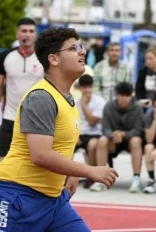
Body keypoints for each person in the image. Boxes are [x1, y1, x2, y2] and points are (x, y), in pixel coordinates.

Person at [0, 26, 118, 231]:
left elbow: (59, 145)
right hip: (19, 196)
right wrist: (89, 170)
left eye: (81, 47)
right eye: (73, 48)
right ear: (54, 59)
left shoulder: (67, 98)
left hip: (54, 202)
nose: (82, 52)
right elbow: (41, 155)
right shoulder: (41, 97)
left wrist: (70, 172)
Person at [0, 17, 42, 161]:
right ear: (17, 34)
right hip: (10, 117)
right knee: (3, 160)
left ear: (35, 34)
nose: (27, 34)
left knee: (33, 161)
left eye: (31, 31)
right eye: (24, 31)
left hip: (37, 119)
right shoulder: (6, 56)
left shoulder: (43, 57)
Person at [92, 82, 145, 192]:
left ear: (131, 95)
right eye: (122, 95)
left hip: (130, 140)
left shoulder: (137, 108)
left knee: (136, 141)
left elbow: (138, 130)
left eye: (127, 95)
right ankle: (100, 178)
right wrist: (113, 135)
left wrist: (123, 134)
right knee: (102, 140)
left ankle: (136, 179)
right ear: (117, 95)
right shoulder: (108, 106)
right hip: (113, 140)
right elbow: (105, 128)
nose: (125, 98)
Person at [74, 74, 106, 187]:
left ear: (92, 87)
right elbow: (72, 122)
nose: (87, 90)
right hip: (79, 134)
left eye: (89, 87)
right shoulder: (74, 103)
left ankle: (92, 176)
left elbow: (92, 121)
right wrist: (75, 136)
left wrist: (84, 105)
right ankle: (64, 176)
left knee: (92, 146)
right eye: (84, 87)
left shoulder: (99, 102)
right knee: (66, 145)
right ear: (80, 88)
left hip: (94, 133)